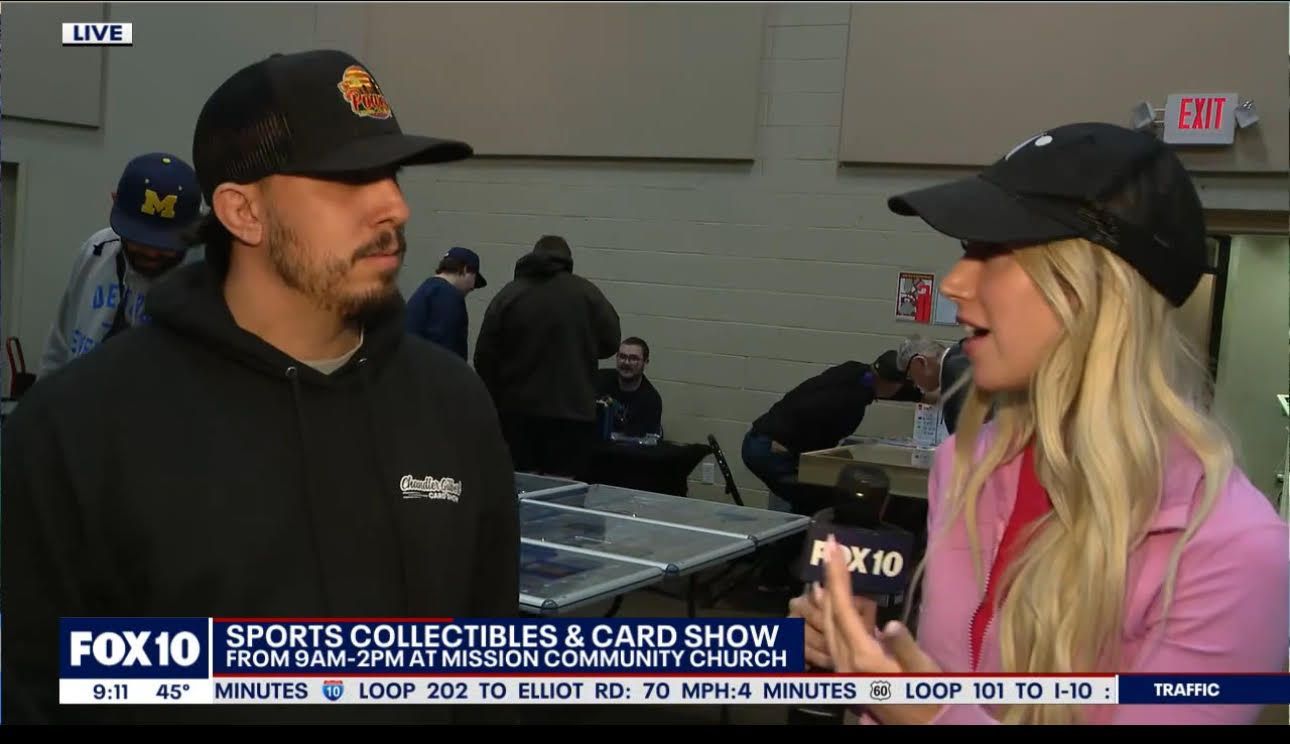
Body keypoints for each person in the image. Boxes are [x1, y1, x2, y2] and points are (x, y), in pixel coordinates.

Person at [1, 49, 519, 725]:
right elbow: (40, 693)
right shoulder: (75, 432)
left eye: (390, 173)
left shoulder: (456, 407)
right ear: (243, 213)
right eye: (348, 179)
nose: (395, 203)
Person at [792, 122, 1289, 725]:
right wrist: (868, 665)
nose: (953, 282)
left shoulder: (1232, 554)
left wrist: (925, 715)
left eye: (990, 252)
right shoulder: (967, 464)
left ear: (1090, 290)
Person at [38, 152, 203, 376]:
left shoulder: (210, 274)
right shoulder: (96, 252)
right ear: (115, 203)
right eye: (141, 237)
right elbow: (58, 351)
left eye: (166, 242)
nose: (152, 252)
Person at [474, 235, 620, 480]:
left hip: (518, 414)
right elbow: (611, 342)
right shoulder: (587, 293)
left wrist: (500, 397)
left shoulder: (510, 295)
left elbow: (484, 356)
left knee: (521, 489)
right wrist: (580, 351)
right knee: (564, 493)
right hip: (573, 415)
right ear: (568, 260)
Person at [742, 350, 926, 513]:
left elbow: (888, 389)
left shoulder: (857, 372)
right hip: (768, 447)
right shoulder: (850, 403)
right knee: (818, 499)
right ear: (891, 384)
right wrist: (787, 443)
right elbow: (810, 416)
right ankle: (792, 547)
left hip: (763, 438)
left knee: (815, 496)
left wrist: (923, 396)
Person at [404, 246, 486, 360]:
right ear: (465, 269)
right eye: (474, 278)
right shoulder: (449, 296)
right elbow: (446, 350)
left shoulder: (428, 288)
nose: (472, 287)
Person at [898, 334, 972, 434]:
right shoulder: (963, 347)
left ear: (920, 362)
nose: (915, 384)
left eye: (911, 377)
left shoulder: (953, 383)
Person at [595, 336, 663, 438]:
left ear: (645, 362)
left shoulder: (651, 400)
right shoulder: (599, 380)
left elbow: (643, 445)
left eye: (633, 358)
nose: (626, 363)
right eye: (622, 356)